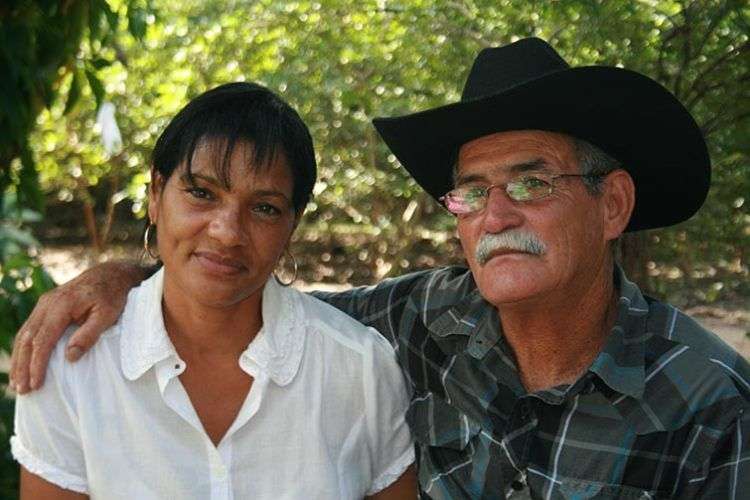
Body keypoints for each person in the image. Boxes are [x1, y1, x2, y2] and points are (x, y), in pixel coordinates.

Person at [11, 38, 750, 498]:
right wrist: (119, 277)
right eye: (470, 192)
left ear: (612, 205)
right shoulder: (421, 321)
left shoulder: (707, 403)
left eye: (531, 184)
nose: (496, 217)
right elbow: (233, 285)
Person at [10, 82, 417, 499]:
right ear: (155, 194)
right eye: (201, 193)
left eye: (264, 208)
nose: (227, 232)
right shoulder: (73, 365)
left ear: (292, 225)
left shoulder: (359, 368)